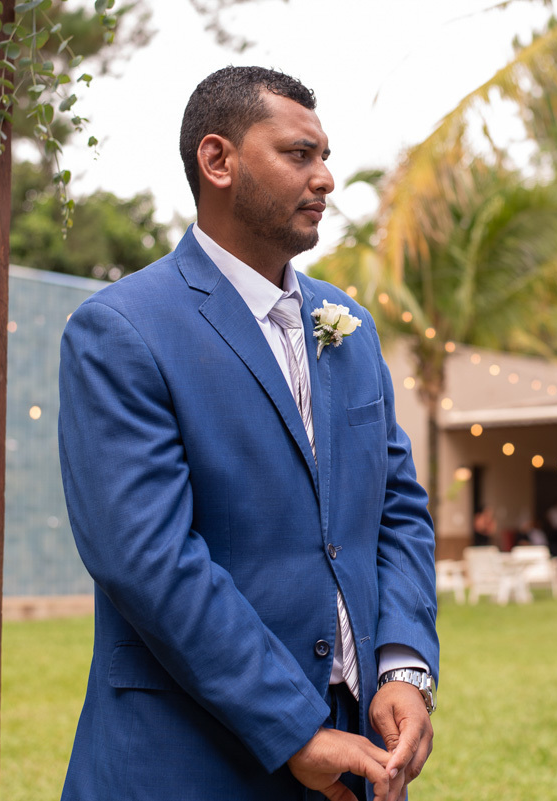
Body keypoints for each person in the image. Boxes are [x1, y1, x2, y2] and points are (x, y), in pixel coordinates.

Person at [57, 66, 438, 801]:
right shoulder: (122, 331)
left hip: (357, 750)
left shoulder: (349, 328)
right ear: (218, 161)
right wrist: (295, 726)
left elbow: (397, 508)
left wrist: (402, 665)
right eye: (300, 154)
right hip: (187, 759)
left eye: (325, 155)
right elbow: (150, 560)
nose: (325, 177)